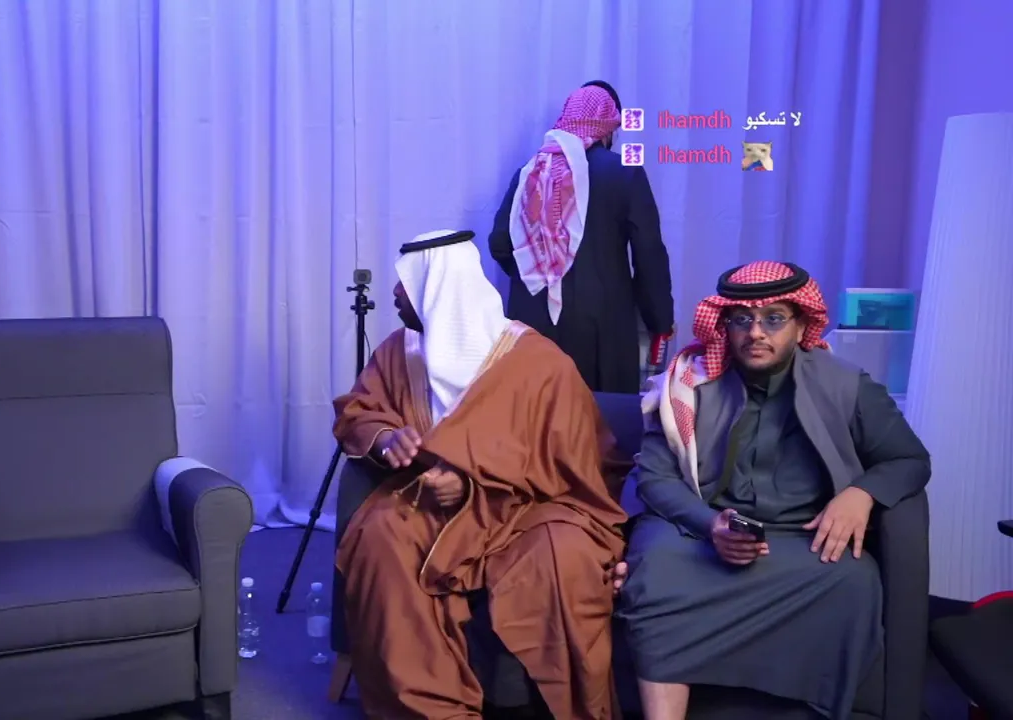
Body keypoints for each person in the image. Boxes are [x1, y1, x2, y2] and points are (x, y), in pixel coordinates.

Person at [614, 261, 931, 720]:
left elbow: (910, 459)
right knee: (656, 569)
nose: (755, 333)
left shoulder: (846, 386)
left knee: (853, 580)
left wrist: (860, 494)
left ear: (801, 324)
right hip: (701, 532)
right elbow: (655, 477)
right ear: (724, 325)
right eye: (741, 320)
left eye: (773, 319)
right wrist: (712, 525)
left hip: (801, 539)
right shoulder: (687, 385)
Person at [334, 229, 629, 719]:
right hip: (427, 502)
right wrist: (386, 439)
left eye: (407, 283)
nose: (395, 293)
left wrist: (474, 483)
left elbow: (574, 461)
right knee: (381, 538)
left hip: (527, 507)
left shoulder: (539, 363)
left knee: (562, 557)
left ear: (439, 289)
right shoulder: (398, 352)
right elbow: (359, 411)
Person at [488, 80, 674, 393]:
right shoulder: (624, 171)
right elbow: (649, 255)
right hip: (602, 327)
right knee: (602, 418)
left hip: (531, 326)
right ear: (607, 129)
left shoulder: (530, 172)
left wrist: (539, 277)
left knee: (536, 415)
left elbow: (500, 243)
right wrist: (660, 321)